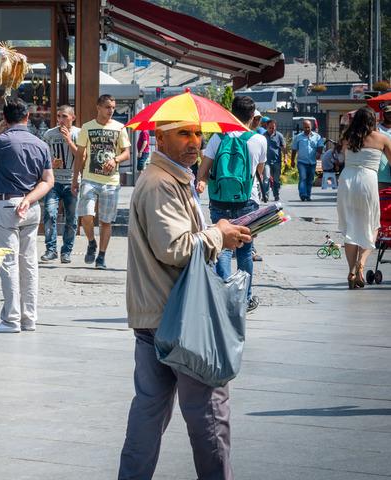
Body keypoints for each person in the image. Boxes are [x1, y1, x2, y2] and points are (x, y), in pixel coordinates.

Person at [118, 120, 252, 480]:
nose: (194, 142)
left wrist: (219, 234)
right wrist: (218, 235)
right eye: (184, 134)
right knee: (209, 413)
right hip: (179, 317)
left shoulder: (174, 179)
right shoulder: (162, 183)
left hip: (158, 314)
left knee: (149, 412)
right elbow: (174, 248)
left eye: (197, 134)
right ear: (158, 138)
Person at [0, 97, 54, 333]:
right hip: (31, 206)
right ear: (27, 116)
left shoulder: (1, 141)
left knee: (9, 262)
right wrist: (29, 199)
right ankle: (29, 318)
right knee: (29, 263)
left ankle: (11, 319)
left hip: (7, 203)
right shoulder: (41, 144)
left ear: (5, 119)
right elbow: (47, 181)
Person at [197, 95, 266, 312]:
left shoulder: (218, 138)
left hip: (219, 200)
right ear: (252, 115)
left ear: (230, 112)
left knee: (224, 248)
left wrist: (201, 184)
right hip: (247, 200)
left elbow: (204, 170)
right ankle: (245, 299)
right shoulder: (258, 140)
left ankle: (225, 296)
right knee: (245, 251)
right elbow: (259, 172)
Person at [72, 94, 132, 269]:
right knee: (86, 216)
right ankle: (91, 241)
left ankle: (102, 256)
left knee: (106, 221)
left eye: (113, 107)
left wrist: (115, 160)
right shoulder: (87, 127)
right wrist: (75, 177)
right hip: (89, 178)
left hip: (111, 181)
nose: (111, 110)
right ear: (98, 107)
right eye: (107, 107)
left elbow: (126, 152)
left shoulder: (120, 128)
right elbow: (80, 154)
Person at [337, 107, 391, 289]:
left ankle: (351, 270)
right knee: (372, 224)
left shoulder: (347, 136)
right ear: (373, 121)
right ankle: (362, 262)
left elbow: (341, 155)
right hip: (368, 180)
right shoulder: (382, 138)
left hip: (347, 180)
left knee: (351, 225)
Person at [41, 105, 81, 263]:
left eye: (64, 116)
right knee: (50, 213)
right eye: (58, 116)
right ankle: (51, 250)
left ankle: (67, 251)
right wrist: (51, 164)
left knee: (72, 218)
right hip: (53, 181)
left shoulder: (79, 133)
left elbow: (81, 156)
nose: (61, 120)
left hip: (73, 181)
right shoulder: (49, 134)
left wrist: (68, 140)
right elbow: (42, 158)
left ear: (73, 117)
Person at [292, 119, 324, 201]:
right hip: (302, 162)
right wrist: (292, 160)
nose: (306, 129)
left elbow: (320, 146)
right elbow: (294, 149)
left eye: (308, 127)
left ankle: (308, 195)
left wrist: (319, 153)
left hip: (312, 162)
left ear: (311, 127)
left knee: (310, 180)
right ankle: (303, 194)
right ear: (303, 127)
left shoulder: (317, 136)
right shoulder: (298, 137)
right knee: (303, 178)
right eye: (305, 127)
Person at [264, 119, 286, 201]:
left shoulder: (279, 136)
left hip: (277, 161)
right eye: (270, 128)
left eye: (273, 128)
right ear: (267, 127)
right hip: (266, 161)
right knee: (266, 178)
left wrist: (285, 158)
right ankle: (265, 196)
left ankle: (276, 194)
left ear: (275, 127)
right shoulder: (263, 136)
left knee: (276, 180)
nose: (271, 129)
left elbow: (283, 148)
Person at [378, 104, 391, 191]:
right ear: (383, 114)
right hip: (382, 173)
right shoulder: (377, 129)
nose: (390, 115)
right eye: (388, 113)